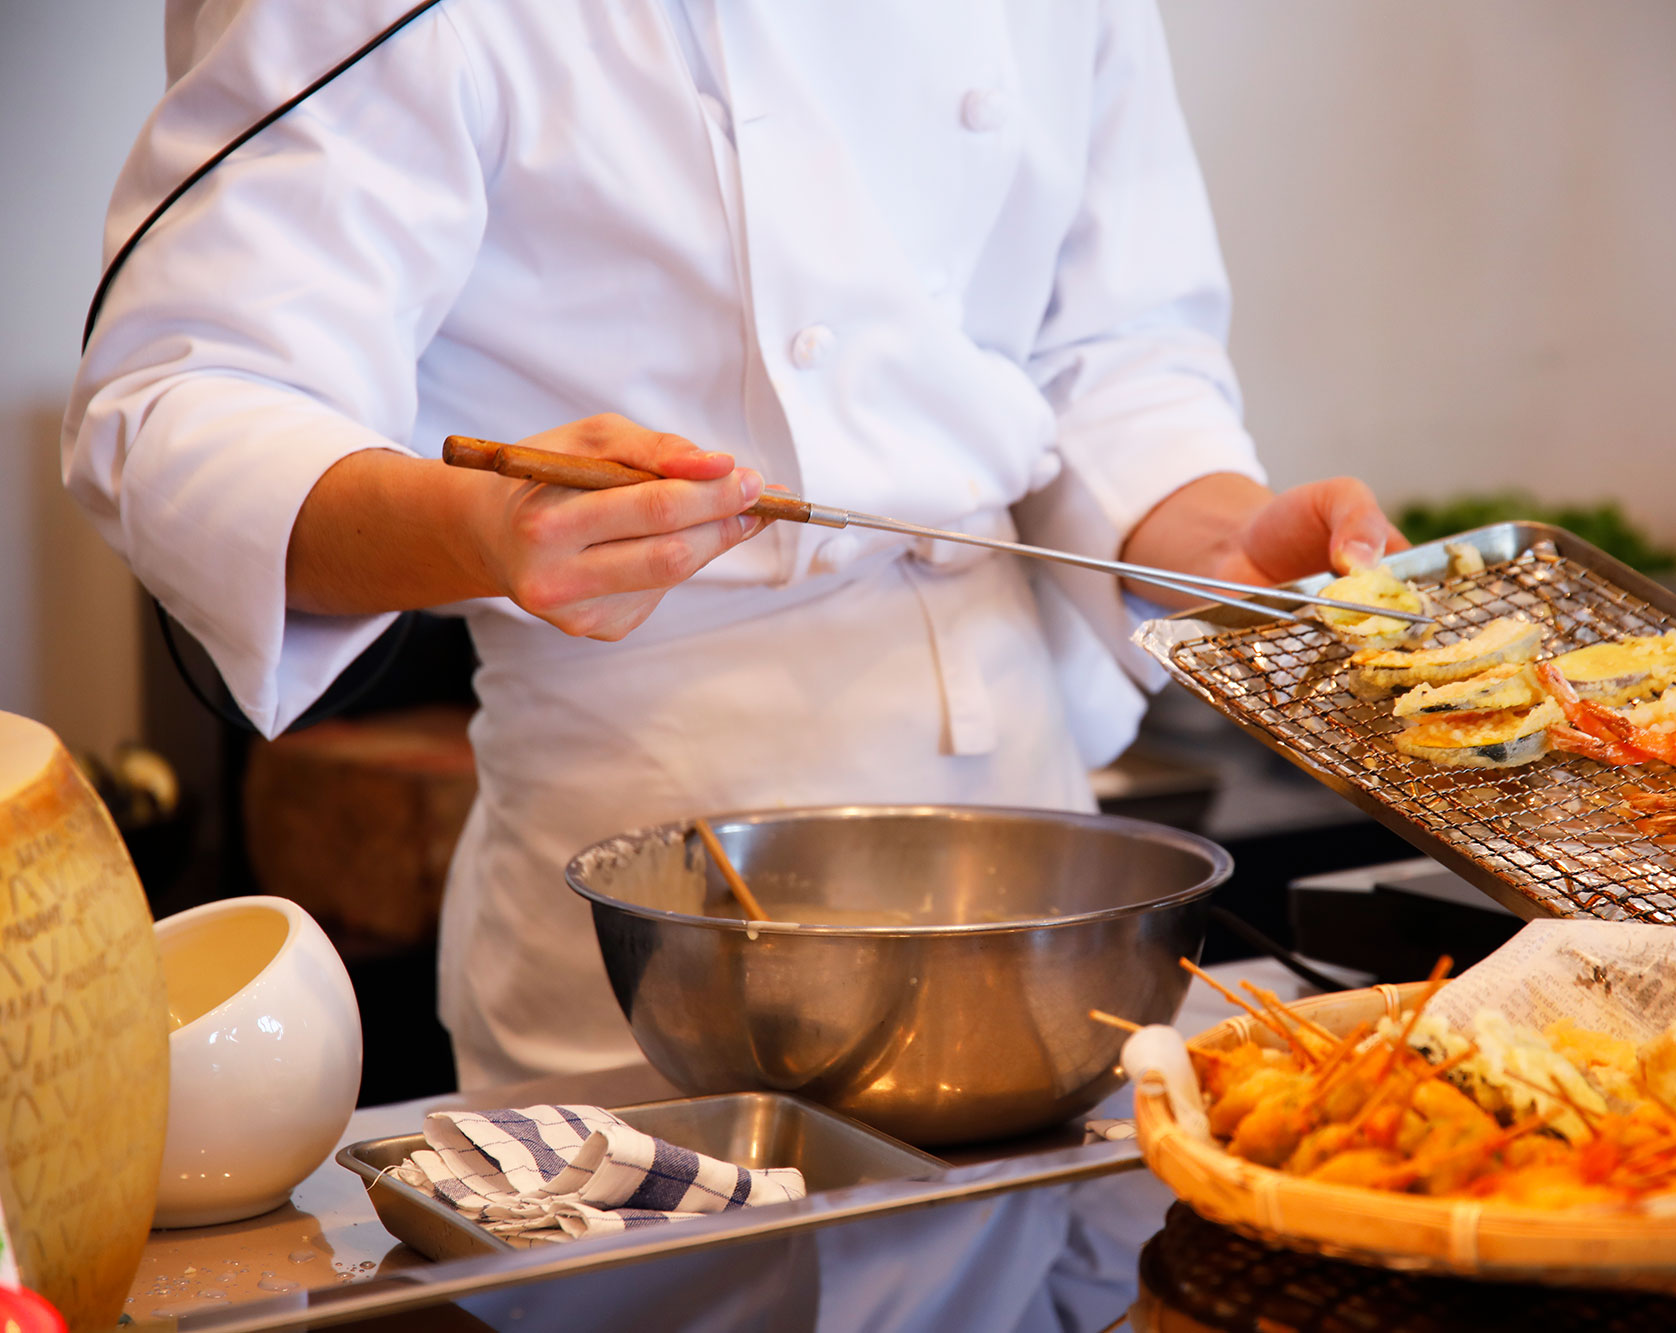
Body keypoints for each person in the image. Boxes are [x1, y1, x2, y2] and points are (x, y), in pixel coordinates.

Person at [66, 1, 1400, 1090]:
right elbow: (180, 404)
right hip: (664, 907)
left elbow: (1109, 349)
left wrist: (1211, 534)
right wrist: (476, 527)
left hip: (1046, 862)